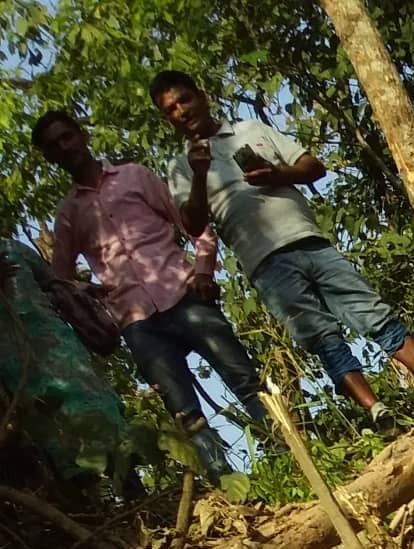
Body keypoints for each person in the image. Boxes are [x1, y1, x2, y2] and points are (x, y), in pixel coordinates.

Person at [149, 70, 414, 419]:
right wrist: (199, 174)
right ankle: (378, 412)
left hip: (309, 239)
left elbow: (313, 166)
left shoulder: (250, 130)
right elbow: (194, 224)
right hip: (264, 263)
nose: (181, 111)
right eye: (170, 109)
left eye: (184, 100)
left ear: (202, 96)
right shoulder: (179, 167)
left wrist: (278, 175)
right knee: (321, 338)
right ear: (167, 119)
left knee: (371, 312)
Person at [32, 108, 261, 478]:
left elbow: (193, 227)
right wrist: (92, 292)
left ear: (82, 135)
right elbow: (61, 280)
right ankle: (231, 485)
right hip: (136, 322)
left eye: (67, 136)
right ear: (50, 158)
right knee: (185, 413)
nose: (65, 147)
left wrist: (203, 271)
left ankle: (293, 454)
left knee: (245, 380)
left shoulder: (134, 176)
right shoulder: (68, 215)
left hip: (183, 295)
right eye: (54, 146)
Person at [0, 237, 133, 490]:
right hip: (13, 363)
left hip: (56, 344)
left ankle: (130, 485)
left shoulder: (11, 247)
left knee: (95, 408)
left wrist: (80, 294)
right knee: (46, 426)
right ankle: (90, 501)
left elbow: (51, 282)